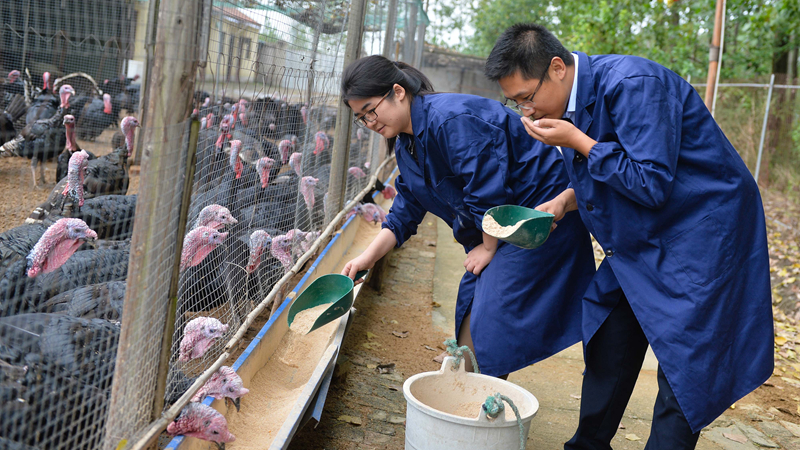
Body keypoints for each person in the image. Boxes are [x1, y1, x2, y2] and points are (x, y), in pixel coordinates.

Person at [484, 23, 773, 449]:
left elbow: (650, 182)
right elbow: (609, 177)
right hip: (644, 238)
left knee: (685, 368)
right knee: (609, 335)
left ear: (558, 68)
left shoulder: (634, 85)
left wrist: (579, 141)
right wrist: (566, 200)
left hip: (702, 234)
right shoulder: (566, 105)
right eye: (515, 103)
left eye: (527, 98)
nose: (526, 111)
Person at [339, 55, 596, 377]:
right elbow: (406, 208)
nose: (370, 123)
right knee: (474, 299)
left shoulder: (451, 119)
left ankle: (478, 396)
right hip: (502, 222)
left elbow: (487, 191)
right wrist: (367, 258)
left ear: (398, 92)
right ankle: (470, 388)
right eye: (361, 118)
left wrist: (488, 247)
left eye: (371, 111)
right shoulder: (406, 143)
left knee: (493, 310)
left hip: (538, 214)